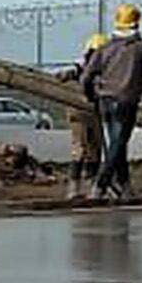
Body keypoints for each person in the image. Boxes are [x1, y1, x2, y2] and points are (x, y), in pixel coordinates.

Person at [80, 2, 142, 201]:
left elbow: (86, 76)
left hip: (104, 101)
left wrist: (91, 96)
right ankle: (100, 185)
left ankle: (126, 188)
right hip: (126, 101)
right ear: (137, 22)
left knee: (118, 144)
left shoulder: (106, 47)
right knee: (118, 144)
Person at [56, 33, 107, 200]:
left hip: (91, 111)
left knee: (91, 149)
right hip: (81, 109)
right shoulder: (83, 65)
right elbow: (71, 71)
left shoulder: (102, 67)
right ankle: (78, 186)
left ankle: (86, 185)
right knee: (83, 148)